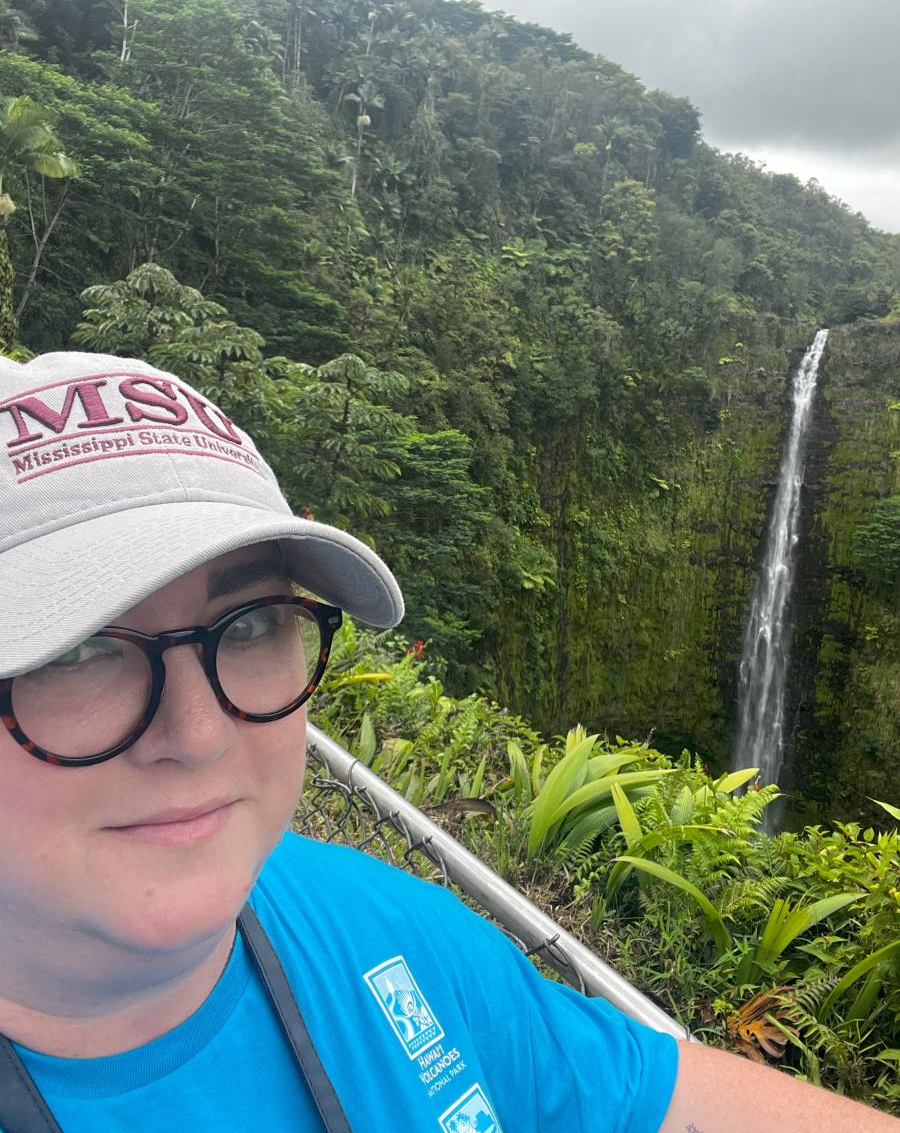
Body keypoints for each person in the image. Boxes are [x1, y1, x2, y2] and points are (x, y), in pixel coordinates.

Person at [0, 350, 895, 1133]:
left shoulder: (390, 932)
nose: (197, 734)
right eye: (73, 651)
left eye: (249, 624)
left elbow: (633, 1097)